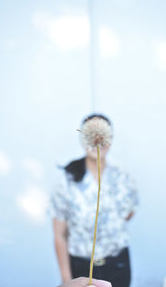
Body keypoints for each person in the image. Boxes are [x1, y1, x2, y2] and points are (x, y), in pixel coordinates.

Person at [50, 114, 138, 287]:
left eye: (103, 135)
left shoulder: (124, 178)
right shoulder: (66, 181)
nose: (98, 139)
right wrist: (66, 279)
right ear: (83, 139)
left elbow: (129, 213)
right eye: (91, 134)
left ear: (110, 138)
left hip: (118, 264)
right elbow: (60, 235)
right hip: (81, 267)